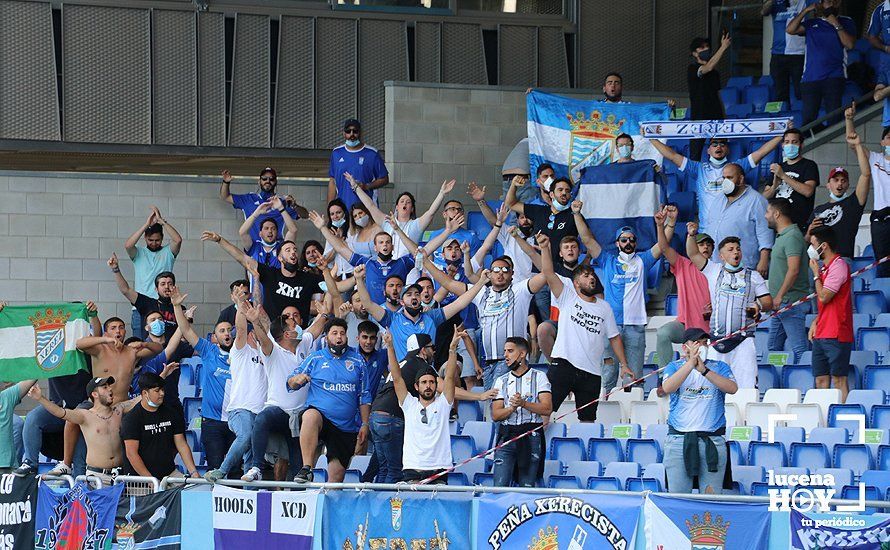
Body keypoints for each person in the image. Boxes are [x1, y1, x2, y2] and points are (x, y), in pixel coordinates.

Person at [43, 315, 162, 478]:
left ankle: (141, 475)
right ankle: (65, 463)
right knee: (72, 419)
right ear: (106, 332)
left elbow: (159, 348)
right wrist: (104, 341)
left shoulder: (132, 352)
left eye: (121, 327)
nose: (118, 331)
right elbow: (79, 344)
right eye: (113, 328)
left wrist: (144, 343)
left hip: (123, 405)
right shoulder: (99, 350)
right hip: (96, 404)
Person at [536, 233, 628, 419]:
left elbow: (614, 337)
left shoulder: (605, 307)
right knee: (545, 413)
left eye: (592, 275)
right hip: (564, 365)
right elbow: (548, 272)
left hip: (592, 373)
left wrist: (624, 364)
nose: (592, 278)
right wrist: (545, 248)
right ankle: (536, 448)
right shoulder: (567, 296)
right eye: (586, 276)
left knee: (588, 421)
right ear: (576, 283)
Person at [575, 205, 666, 393]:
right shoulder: (608, 260)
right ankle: (603, 412)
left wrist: (664, 225)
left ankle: (634, 418)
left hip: (635, 326)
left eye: (632, 240)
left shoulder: (643, 260)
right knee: (607, 374)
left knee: (634, 378)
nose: (628, 243)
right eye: (624, 240)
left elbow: (662, 246)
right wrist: (576, 214)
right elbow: (587, 240)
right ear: (617, 243)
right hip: (610, 326)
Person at [239, 301, 328, 482]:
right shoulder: (273, 350)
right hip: (279, 411)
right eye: (294, 325)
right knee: (263, 417)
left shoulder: (303, 343)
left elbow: (317, 328)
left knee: (298, 472)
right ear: (287, 334)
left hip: (301, 417)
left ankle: (300, 494)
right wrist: (255, 322)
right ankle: (257, 467)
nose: (298, 326)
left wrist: (325, 314)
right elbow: (263, 339)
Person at [687, 227, 774, 388]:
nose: (736, 252)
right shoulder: (713, 270)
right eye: (731, 249)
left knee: (747, 387)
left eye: (738, 249)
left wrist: (758, 305)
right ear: (721, 256)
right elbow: (693, 254)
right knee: (713, 387)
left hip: (743, 341)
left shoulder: (753, 276)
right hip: (716, 340)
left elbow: (769, 302)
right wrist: (691, 235)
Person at [288, 318, 372, 483]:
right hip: (321, 417)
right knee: (310, 415)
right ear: (326, 337)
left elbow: (364, 395)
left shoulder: (358, 361)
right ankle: (307, 468)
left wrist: (364, 424)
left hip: (345, 426)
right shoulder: (315, 358)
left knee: (336, 478)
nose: (339, 337)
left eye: (342, 333)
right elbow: (291, 381)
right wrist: (297, 380)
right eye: (334, 333)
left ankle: (327, 505)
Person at [354, 263, 490, 361]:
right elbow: (368, 304)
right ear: (401, 302)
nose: (414, 297)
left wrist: (480, 283)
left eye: (416, 294)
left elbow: (460, 303)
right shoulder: (392, 318)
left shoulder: (432, 316)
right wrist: (359, 280)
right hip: (404, 376)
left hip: (427, 377)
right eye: (409, 295)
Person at [651, 135, 781, 236]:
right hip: (707, 231)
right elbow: (673, 156)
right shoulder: (699, 169)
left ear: (727, 149)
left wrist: (781, 136)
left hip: (732, 230)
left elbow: (760, 153)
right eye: (714, 144)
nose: (718, 147)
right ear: (708, 150)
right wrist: (651, 138)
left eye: (722, 144)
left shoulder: (736, 167)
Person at [28, 377, 148, 485]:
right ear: (95, 394)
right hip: (97, 478)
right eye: (105, 387)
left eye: (110, 386)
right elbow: (60, 412)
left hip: (120, 476)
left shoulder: (119, 410)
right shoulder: (85, 416)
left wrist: (159, 379)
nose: (110, 389)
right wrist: (40, 398)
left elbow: (139, 399)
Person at [662, 328, 738, 494]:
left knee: (711, 497)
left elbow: (732, 388)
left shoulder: (720, 366)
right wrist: (690, 364)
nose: (701, 346)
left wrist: (704, 371)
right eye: (696, 343)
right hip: (678, 440)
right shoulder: (673, 367)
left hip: (712, 440)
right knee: (678, 498)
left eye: (704, 343)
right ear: (685, 348)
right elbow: (667, 387)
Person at [171, 287, 234, 470]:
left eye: (229, 330)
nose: (226, 333)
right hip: (212, 422)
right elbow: (185, 329)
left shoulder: (242, 354)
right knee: (215, 468)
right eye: (222, 331)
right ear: (215, 337)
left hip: (236, 421)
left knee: (236, 470)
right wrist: (176, 307)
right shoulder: (208, 350)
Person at [204, 302, 266, 483]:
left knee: (250, 460)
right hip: (241, 408)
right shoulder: (240, 352)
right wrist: (240, 307)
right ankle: (222, 470)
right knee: (245, 436)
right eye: (250, 333)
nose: (252, 335)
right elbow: (240, 329)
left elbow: (265, 327)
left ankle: (249, 496)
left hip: (261, 412)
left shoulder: (266, 353)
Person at [202, 231, 324, 322]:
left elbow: (335, 287)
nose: (293, 252)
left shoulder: (308, 279)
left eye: (295, 250)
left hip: (298, 336)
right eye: (288, 250)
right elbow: (243, 258)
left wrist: (326, 268)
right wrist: (220, 240)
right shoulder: (270, 274)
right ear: (280, 258)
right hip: (272, 334)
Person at [389, 330, 460, 484]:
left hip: (439, 468)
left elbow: (449, 377)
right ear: (416, 386)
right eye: (424, 382)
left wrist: (452, 349)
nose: (428, 386)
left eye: (432, 382)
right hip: (412, 468)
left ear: (436, 385)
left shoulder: (444, 404)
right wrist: (390, 347)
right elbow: (396, 377)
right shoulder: (409, 404)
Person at [309, 211, 415, 305]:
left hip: (397, 315)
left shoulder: (402, 263)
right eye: (381, 242)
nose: (385, 245)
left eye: (388, 242)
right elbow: (341, 248)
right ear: (375, 248)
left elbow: (418, 254)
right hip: (374, 316)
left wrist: (397, 230)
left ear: (392, 247)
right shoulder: (367, 264)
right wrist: (323, 228)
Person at [806, 108, 871, 260]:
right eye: (835, 180)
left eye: (843, 180)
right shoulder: (819, 209)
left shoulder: (853, 203)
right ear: (828, 185)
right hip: (818, 262)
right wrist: (809, 231)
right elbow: (807, 240)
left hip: (842, 259)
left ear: (848, 184)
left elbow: (866, 174)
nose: (839, 183)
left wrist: (858, 146)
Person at [655, 211, 713, 370]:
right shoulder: (683, 264)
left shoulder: (717, 270)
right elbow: (663, 247)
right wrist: (661, 226)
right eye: (701, 244)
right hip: (685, 326)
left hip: (710, 329)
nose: (705, 247)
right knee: (663, 333)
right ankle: (665, 376)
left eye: (709, 244)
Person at [491, 337, 552, 487]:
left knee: (527, 486)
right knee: (499, 486)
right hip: (506, 436)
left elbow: (547, 408)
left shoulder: (540, 377)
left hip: (531, 436)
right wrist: (512, 408)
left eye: (510, 351)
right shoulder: (501, 380)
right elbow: (495, 415)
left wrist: (524, 404)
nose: (506, 355)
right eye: (505, 351)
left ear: (523, 354)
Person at [350, 175, 456, 260]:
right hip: (388, 264)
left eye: (408, 202)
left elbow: (431, 212)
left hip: (409, 268)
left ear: (412, 208)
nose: (405, 203)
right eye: (402, 201)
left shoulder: (416, 225)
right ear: (397, 207)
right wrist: (356, 187)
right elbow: (370, 205)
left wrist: (442, 193)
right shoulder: (387, 221)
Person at [786, 0, 856, 126]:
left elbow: (849, 44)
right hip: (810, 78)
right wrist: (806, 10)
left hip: (834, 77)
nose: (832, 5)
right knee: (808, 120)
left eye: (835, 2)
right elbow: (790, 29)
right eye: (828, 2)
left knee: (834, 119)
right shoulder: (812, 23)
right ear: (821, 4)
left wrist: (835, 22)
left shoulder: (846, 21)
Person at [121, 372, 200, 480]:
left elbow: (181, 445)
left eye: (162, 389)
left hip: (169, 474)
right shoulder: (132, 419)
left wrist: (194, 472)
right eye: (157, 391)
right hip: (140, 479)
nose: (162, 393)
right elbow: (131, 454)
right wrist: (150, 480)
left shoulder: (171, 413)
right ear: (145, 393)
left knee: (187, 491)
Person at [809, 227, 853, 402]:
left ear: (824, 246)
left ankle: (842, 418)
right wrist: (816, 322)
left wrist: (815, 275)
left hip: (837, 333)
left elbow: (824, 297)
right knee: (820, 379)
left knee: (839, 380)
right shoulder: (825, 268)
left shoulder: (839, 266)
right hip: (822, 333)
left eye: (813, 244)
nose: (811, 249)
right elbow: (825, 306)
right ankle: (823, 421)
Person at [124, 206, 182, 339]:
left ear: (162, 238)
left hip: (162, 306)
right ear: (145, 238)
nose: (154, 243)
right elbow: (128, 245)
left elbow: (178, 240)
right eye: (150, 240)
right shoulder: (139, 253)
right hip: (140, 307)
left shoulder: (168, 252)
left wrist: (161, 221)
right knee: (139, 344)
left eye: (157, 240)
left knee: (164, 344)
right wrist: (146, 225)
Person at [765, 198, 811, 363]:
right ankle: (780, 382)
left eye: (768, 212)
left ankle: (807, 386)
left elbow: (794, 270)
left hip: (790, 303)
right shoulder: (785, 235)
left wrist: (779, 296)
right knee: (773, 347)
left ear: (776, 214)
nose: (765, 216)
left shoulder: (791, 236)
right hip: (781, 304)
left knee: (799, 349)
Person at [710, 163, 775, 276]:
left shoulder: (756, 200)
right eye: (724, 178)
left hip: (743, 265)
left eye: (730, 178)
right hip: (717, 263)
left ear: (740, 179)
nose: (726, 181)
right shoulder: (718, 199)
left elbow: (765, 232)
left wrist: (764, 260)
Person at [220, 167, 307, 242]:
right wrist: (226, 182)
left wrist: (294, 205)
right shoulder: (249, 198)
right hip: (254, 249)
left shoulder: (282, 202)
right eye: (264, 178)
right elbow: (225, 197)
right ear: (259, 182)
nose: (268, 181)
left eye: (271, 179)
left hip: (277, 250)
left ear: (276, 182)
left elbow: (305, 215)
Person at [110, 253, 186, 338]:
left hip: (174, 348)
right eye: (163, 284)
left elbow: (185, 332)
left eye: (170, 284)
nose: (167, 287)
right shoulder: (147, 303)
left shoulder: (180, 308)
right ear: (156, 289)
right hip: (150, 348)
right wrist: (116, 269)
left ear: (174, 287)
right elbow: (126, 290)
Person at [761, 128, 820, 230]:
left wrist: (783, 176)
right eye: (787, 142)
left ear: (801, 145)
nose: (790, 145)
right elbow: (764, 196)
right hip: (777, 226)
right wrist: (774, 186)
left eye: (794, 142)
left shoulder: (809, 165)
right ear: (782, 145)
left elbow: (808, 191)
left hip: (799, 225)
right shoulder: (778, 167)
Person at [328, 119, 389, 210]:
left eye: (355, 131)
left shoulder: (372, 153)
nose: (352, 134)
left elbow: (384, 179)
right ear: (344, 134)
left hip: (367, 210)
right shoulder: (336, 153)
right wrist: (330, 209)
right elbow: (333, 181)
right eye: (348, 131)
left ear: (360, 133)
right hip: (342, 211)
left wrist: (366, 186)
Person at [763, 0, 816, 103]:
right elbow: (763, 12)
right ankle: (783, 116)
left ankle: (802, 116)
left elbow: (821, 7)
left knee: (801, 91)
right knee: (780, 93)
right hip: (778, 54)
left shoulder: (806, 2)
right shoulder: (778, 3)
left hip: (799, 54)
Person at [687, 33, 731, 160]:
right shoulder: (692, 69)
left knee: (720, 151)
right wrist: (723, 47)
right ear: (694, 53)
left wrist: (723, 116)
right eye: (701, 48)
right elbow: (709, 66)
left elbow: (717, 94)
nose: (706, 49)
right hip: (699, 117)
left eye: (707, 47)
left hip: (716, 116)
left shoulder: (715, 74)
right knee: (695, 154)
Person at [238, 195, 298, 271]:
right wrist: (257, 212)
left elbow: (293, 230)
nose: (270, 231)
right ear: (260, 233)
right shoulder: (254, 247)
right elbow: (242, 232)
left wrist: (281, 208)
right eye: (266, 228)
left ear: (277, 233)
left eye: (273, 229)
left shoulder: (282, 248)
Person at [0, 378, 36, 473]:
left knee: (18, 423)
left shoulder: (5, 398)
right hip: (7, 468)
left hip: (7, 470)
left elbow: (33, 376)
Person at [870, 127, 890, 276]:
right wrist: (849, 121)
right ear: (882, 142)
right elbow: (853, 144)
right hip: (880, 220)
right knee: (883, 264)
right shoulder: (875, 158)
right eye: (889, 137)